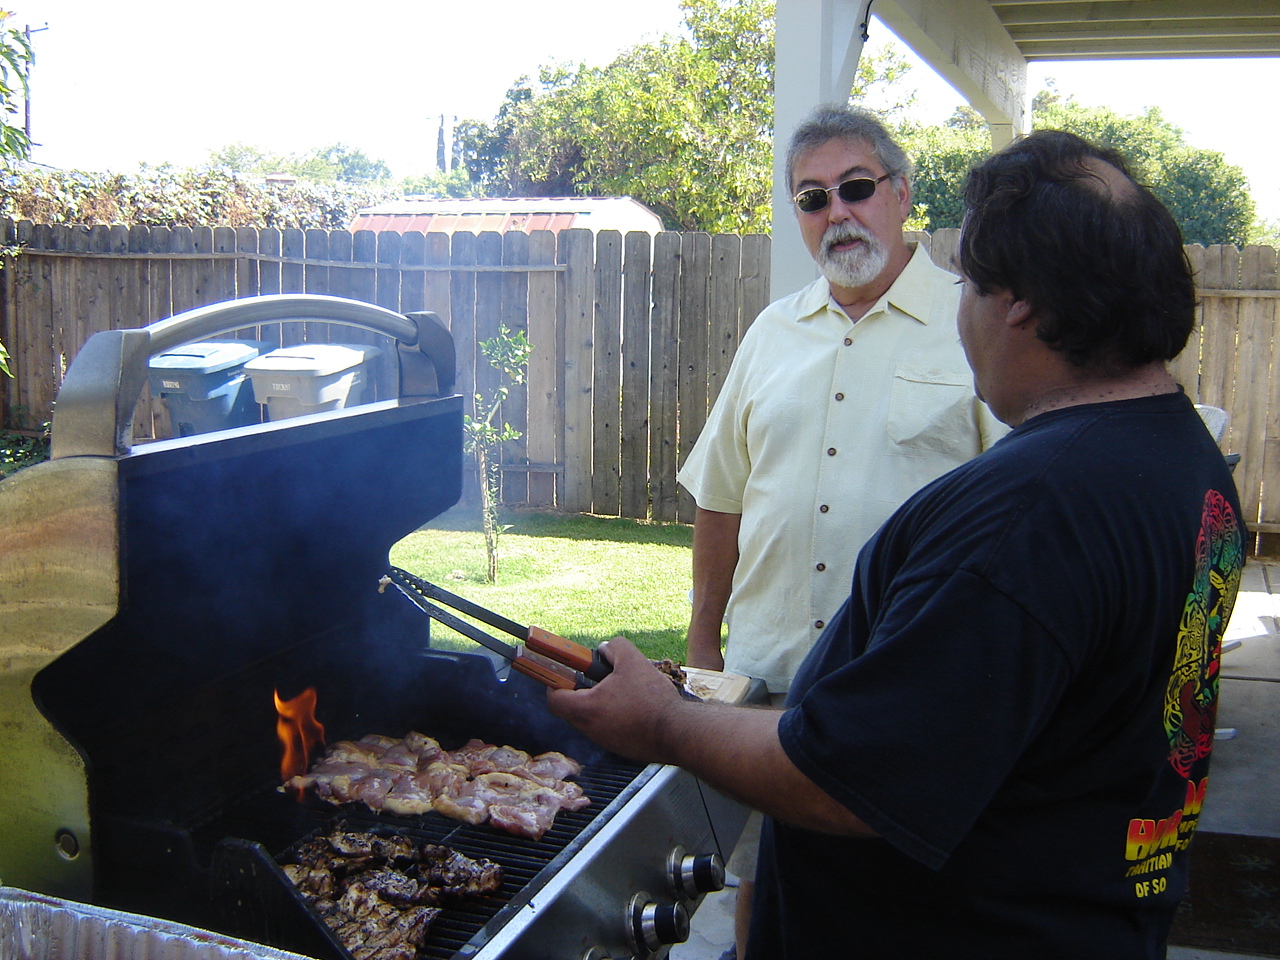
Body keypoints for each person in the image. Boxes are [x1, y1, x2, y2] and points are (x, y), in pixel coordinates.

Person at [549, 129, 1245, 959]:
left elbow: (851, 781)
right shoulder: (1180, 459)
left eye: (973, 286)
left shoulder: (1029, 514)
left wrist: (662, 722)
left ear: (1016, 301)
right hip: (1087, 908)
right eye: (812, 196)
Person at [677, 104, 1005, 954]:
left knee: (894, 906)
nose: (837, 213)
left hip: (903, 685)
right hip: (766, 687)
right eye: (812, 198)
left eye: (855, 189)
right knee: (762, 887)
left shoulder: (974, 327)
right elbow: (721, 496)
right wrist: (703, 646)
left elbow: (1015, 510)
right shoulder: (771, 332)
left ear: (900, 195)